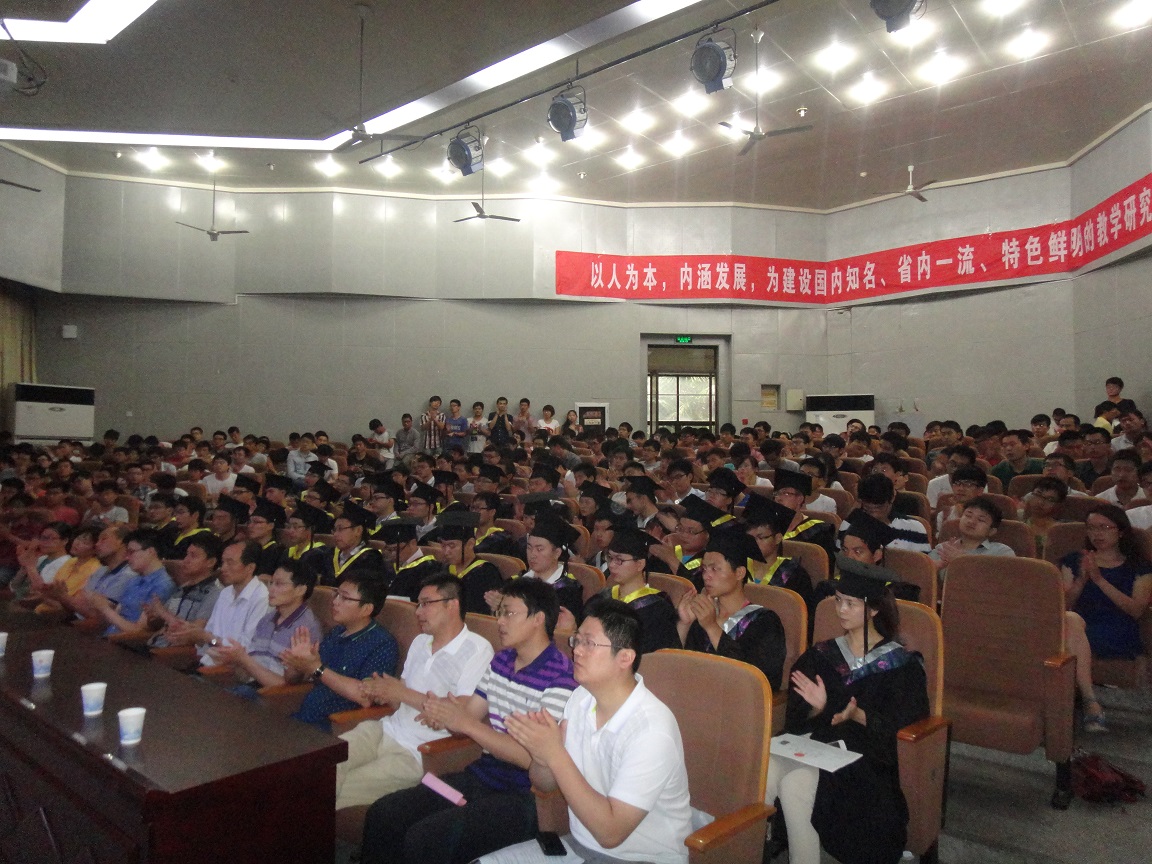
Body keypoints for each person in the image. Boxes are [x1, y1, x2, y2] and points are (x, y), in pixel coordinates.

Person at [359, 578, 577, 864]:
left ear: (538, 619)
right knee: (386, 812)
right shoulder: (502, 661)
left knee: (426, 838)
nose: (500, 621)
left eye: (509, 613)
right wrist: (442, 713)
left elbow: (533, 759)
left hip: (523, 794)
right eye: (499, 612)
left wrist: (465, 722)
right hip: (479, 776)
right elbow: (468, 715)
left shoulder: (561, 677)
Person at [480, 599, 692, 864]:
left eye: (589, 643)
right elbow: (545, 784)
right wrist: (542, 756)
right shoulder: (581, 698)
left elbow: (610, 834)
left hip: (640, 858)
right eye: (577, 640)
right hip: (579, 846)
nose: (576, 651)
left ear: (625, 657)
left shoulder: (651, 730)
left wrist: (555, 754)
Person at [768, 556, 929, 864]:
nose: (841, 610)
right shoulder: (822, 654)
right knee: (765, 769)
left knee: (794, 784)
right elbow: (798, 717)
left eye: (851, 604)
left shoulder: (901, 666)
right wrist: (817, 709)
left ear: (874, 609)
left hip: (867, 758)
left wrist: (856, 715)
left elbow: (903, 728)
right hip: (817, 744)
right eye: (839, 600)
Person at [336, 574, 494, 810]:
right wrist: (381, 691)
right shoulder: (420, 641)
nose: (418, 612)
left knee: (340, 788)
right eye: (418, 604)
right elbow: (398, 702)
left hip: (419, 752)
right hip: (385, 729)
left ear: (452, 605)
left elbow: (462, 714)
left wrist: (400, 693)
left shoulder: (477, 649)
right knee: (323, 766)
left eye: (426, 604)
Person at [1058, 504, 1152, 733]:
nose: (1097, 534)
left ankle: (1073, 706)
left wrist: (1099, 580)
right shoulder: (1074, 560)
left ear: (1121, 532)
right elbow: (1062, 606)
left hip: (1117, 628)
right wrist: (1081, 581)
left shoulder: (1140, 566)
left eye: (1104, 528)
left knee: (1069, 630)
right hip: (1076, 624)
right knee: (1070, 620)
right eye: (1091, 528)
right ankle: (1090, 701)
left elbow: (1136, 610)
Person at [281, 570, 398, 732]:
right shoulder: (337, 632)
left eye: (345, 598)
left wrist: (317, 668)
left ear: (366, 609)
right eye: (336, 594)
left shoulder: (382, 644)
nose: (335, 602)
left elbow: (365, 697)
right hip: (305, 718)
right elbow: (293, 680)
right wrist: (297, 664)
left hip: (335, 727)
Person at [676, 529, 787, 692]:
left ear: (740, 573)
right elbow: (678, 668)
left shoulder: (765, 622)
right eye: (704, 569)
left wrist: (712, 628)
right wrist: (684, 624)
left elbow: (758, 682)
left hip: (735, 703)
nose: (706, 576)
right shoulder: (703, 613)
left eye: (715, 569)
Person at [207, 558, 323, 691]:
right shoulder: (267, 620)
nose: (271, 589)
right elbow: (249, 670)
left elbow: (287, 687)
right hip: (249, 686)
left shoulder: (305, 629)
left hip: (274, 696)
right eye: (271, 583)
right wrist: (233, 660)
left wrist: (243, 660)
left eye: (279, 584)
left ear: (300, 590)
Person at [599, 527, 680, 654]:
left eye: (619, 560)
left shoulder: (658, 608)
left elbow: (661, 656)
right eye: (609, 557)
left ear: (640, 564)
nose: (611, 565)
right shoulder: (603, 598)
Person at [928, 496, 1015, 580]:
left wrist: (964, 562)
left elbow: (1005, 583)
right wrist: (932, 570)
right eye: (968, 515)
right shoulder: (943, 549)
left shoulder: (1001, 552)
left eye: (981, 520)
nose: (971, 522)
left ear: (992, 531)